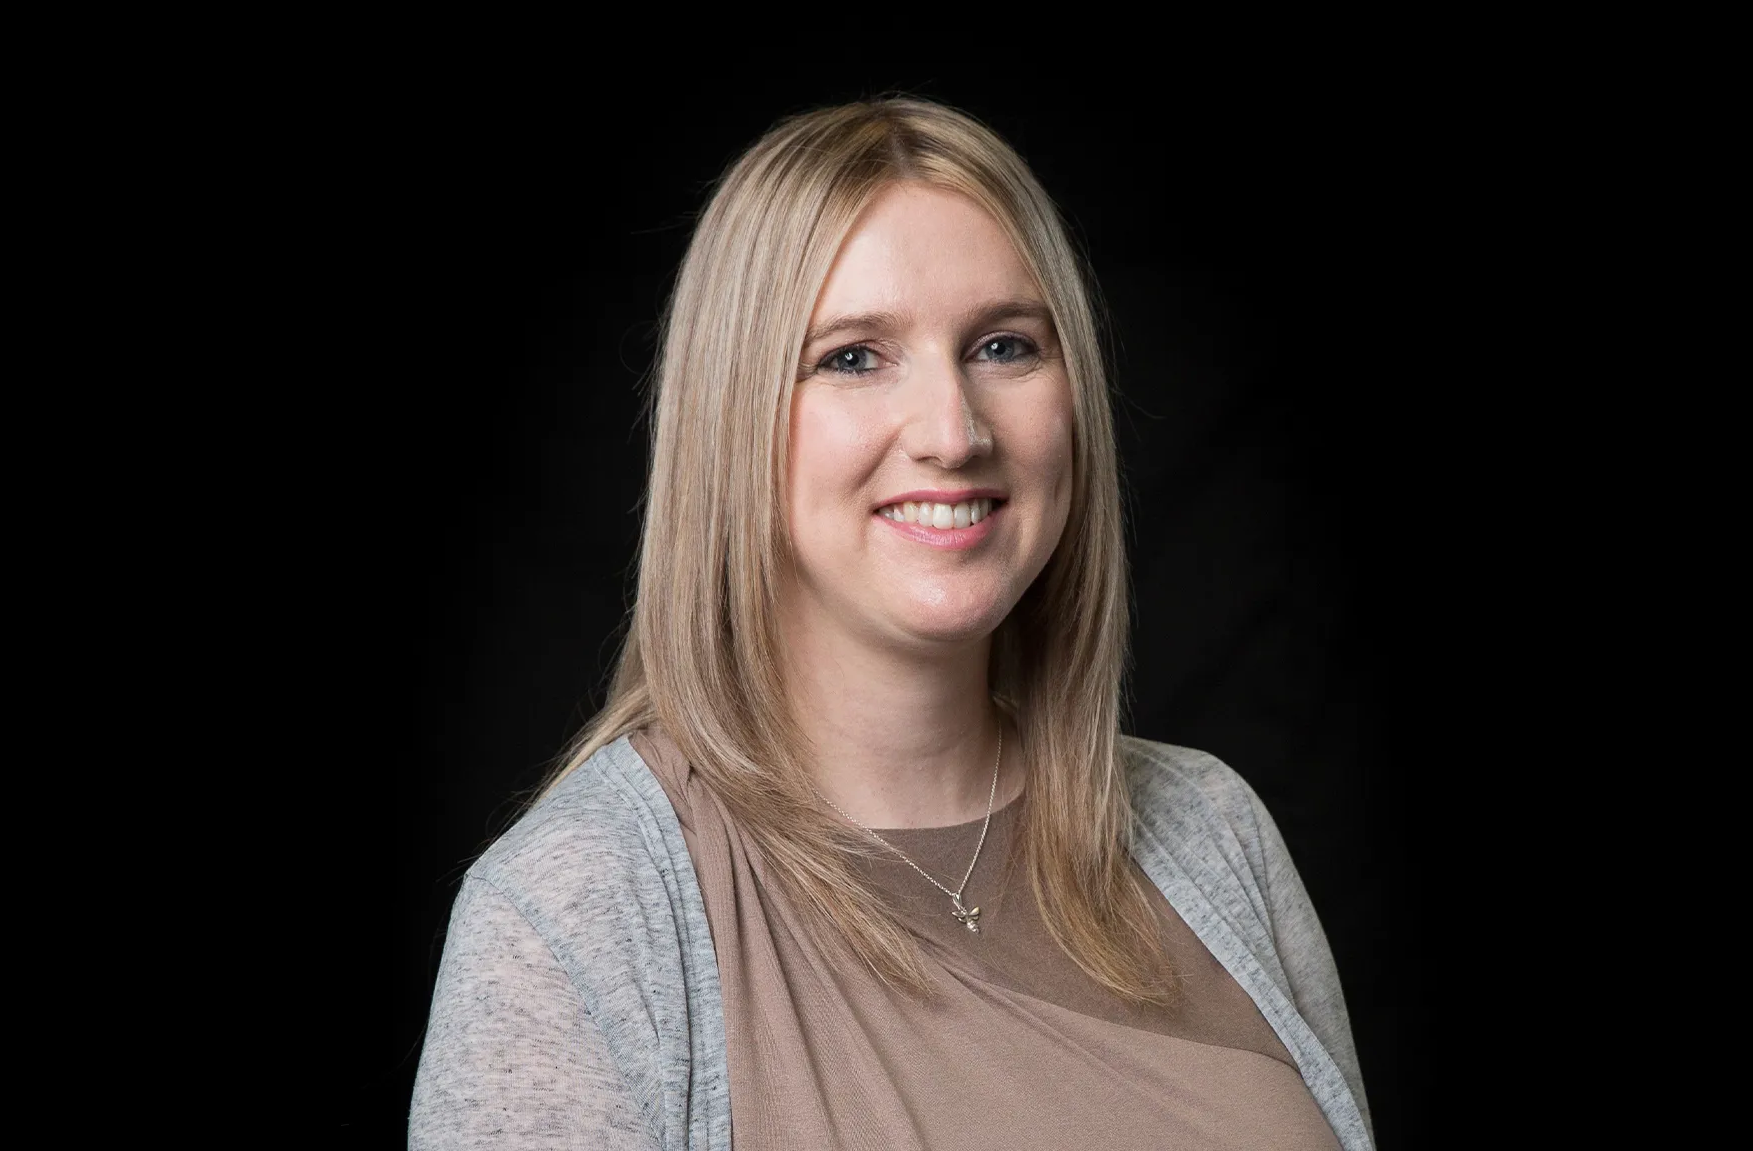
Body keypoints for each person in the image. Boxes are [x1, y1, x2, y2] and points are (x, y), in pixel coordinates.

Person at [408, 96, 1374, 1150]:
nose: (953, 433)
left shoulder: (1214, 832)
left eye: (1004, 345)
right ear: (731, 419)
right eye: (855, 357)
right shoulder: (573, 914)